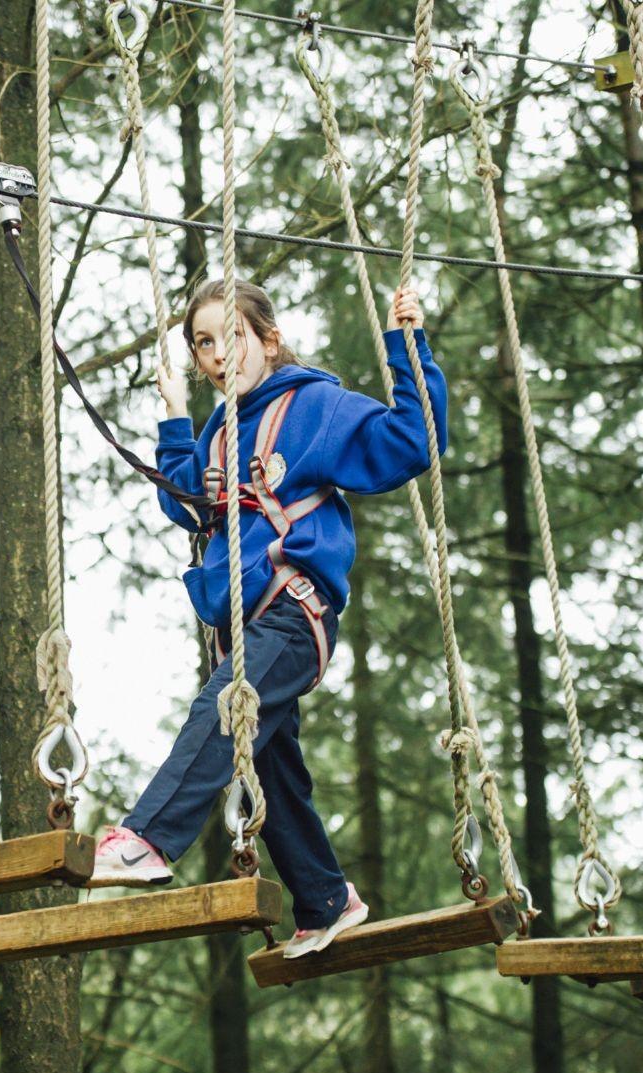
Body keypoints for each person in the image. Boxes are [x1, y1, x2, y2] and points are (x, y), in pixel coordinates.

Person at [91, 278, 446, 959]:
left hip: (293, 609)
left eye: (230, 337)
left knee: (227, 703)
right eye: (202, 344)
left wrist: (407, 343)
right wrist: (173, 418)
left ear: (268, 340)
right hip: (247, 621)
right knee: (267, 762)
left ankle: (149, 838)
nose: (217, 355)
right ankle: (325, 898)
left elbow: (410, 442)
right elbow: (189, 505)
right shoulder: (220, 431)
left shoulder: (313, 407)